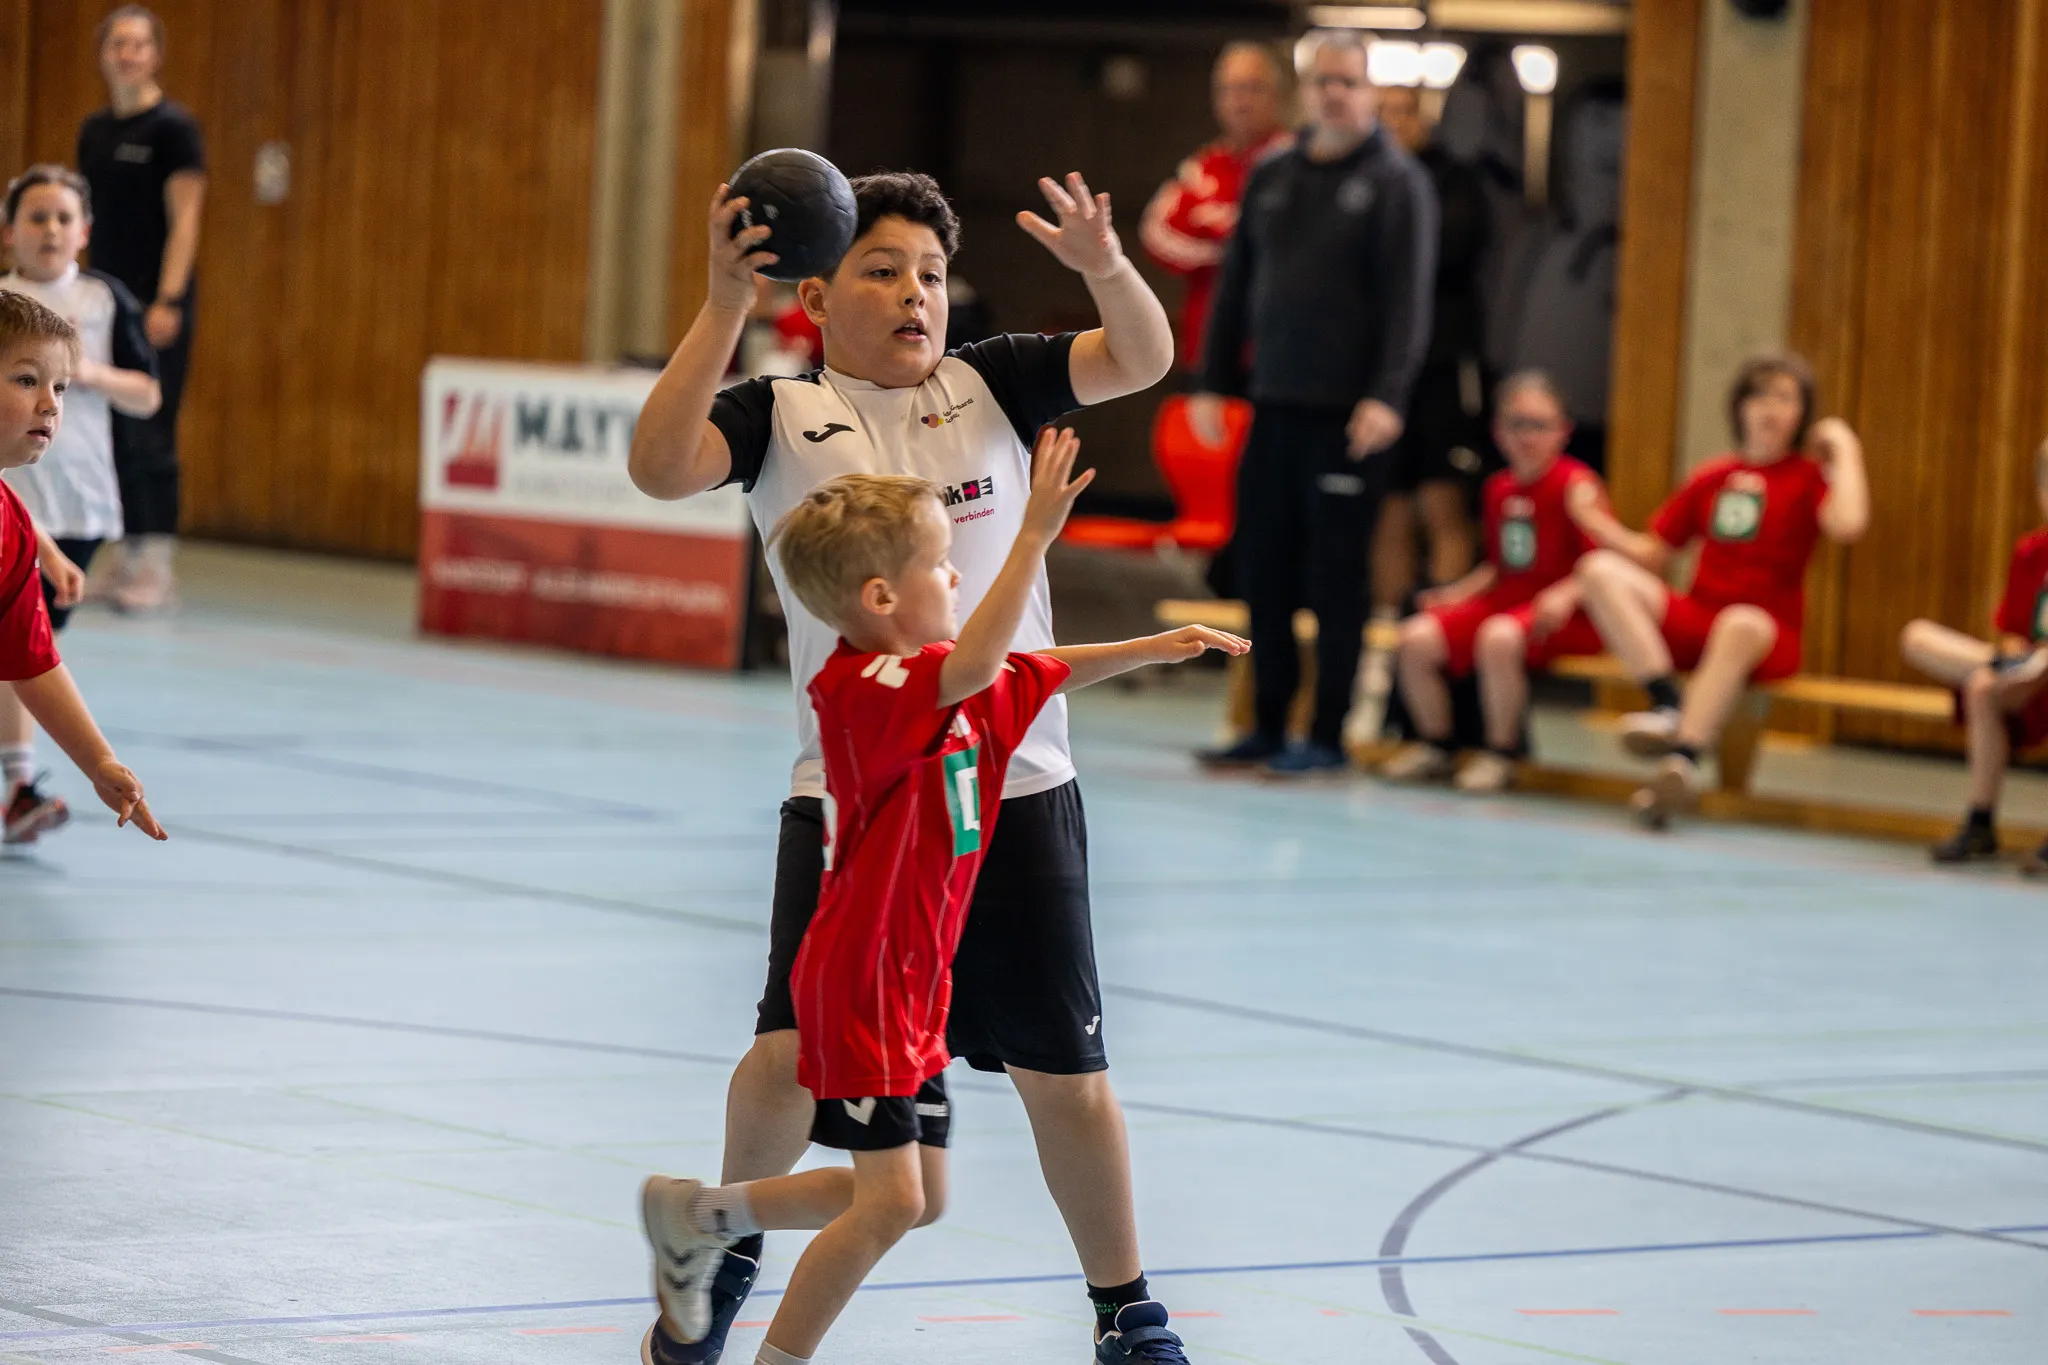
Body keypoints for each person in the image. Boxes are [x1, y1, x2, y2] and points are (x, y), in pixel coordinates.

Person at [627, 166, 1193, 1365]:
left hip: (1017, 788)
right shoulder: (779, 415)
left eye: (930, 274)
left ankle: (1126, 1312)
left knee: (1066, 1071)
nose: (913, 294)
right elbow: (659, 466)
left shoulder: (989, 380)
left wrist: (1103, 262)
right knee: (788, 1054)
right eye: (883, 270)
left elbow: (1140, 356)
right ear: (820, 293)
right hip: (854, 805)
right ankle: (721, 1257)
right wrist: (725, 299)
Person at [642, 455, 1244, 1365]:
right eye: (940, 563)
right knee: (890, 1204)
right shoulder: (864, 693)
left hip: (917, 985)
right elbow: (976, 667)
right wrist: (1034, 533)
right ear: (882, 595)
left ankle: (703, 1214)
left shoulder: (942, 679)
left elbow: (1028, 668)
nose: (958, 572)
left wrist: (1149, 650)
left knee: (916, 1195)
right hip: (865, 982)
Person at [1191, 28, 1437, 775]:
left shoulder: (1396, 183)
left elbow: (1408, 303)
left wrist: (1387, 396)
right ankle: (1266, 722)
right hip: (1275, 403)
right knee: (1262, 568)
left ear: (1368, 92)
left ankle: (1326, 733)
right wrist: (1212, 381)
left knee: (1335, 578)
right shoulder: (1273, 175)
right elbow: (1236, 285)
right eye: (1324, 80)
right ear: (1305, 91)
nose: (1336, 93)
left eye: (1350, 82)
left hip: (1349, 416)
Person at [1574, 352, 1870, 827]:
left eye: (1784, 397)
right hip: (1702, 619)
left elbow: (1849, 524)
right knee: (1598, 570)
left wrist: (1844, 447)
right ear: (1739, 407)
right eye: (1758, 395)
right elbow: (1653, 553)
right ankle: (1666, 703)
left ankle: (1682, 762)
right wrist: (1593, 523)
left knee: (1740, 622)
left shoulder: (1808, 477)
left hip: (1766, 633)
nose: (1769, 408)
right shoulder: (1713, 476)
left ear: (1801, 414)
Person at [0, 166, 160, 844]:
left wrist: (98, 761)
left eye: (60, 388)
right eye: (27, 380)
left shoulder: (10, 525)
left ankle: (19, 782)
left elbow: (32, 660)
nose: (49, 405)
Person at [1379, 371, 1605, 792]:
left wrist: (1564, 594)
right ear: (1499, 431)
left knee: (1498, 638)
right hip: (1507, 600)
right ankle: (1436, 744)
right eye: (1518, 424)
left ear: (1564, 431)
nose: (1528, 437)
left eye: (1540, 425)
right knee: (1416, 637)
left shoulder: (1577, 485)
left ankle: (1500, 752)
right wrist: (1454, 594)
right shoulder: (1499, 487)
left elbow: (1599, 565)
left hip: (1564, 613)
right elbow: (1500, 566)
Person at [76, 4, 206, 613]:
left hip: (156, 305)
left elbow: (186, 221)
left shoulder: (174, 130)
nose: (127, 54)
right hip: (105, 299)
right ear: (104, 54)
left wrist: (169, 298)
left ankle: (157, 564)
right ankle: (126, 555)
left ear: (155, 54)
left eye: (139, 44)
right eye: (117, 44)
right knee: (114, 428)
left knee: (152, 427)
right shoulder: (95, 132)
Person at [1370, 84, 1492, 616]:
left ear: (1424, 119)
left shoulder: (1453, 182)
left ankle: (1444, 633)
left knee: (1442, 503)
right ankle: (1387, 644)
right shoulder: (1363, 177)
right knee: (1388, 509)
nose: (1396, 124)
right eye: (1385, 114)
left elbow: (1446, 254)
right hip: (1379, 373)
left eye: (1405, 113)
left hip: (1440, 364)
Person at [1901, 438, 2048, 870]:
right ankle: (1980, 823)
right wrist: (2017, 660)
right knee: (1970, 674)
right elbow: (2012, 631)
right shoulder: (2032, 554)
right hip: (2030, 677)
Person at [1140, 41, 1291, 374]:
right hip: (1207, 348)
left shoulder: (1296, 163)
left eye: (1252, 88)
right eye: (1230, 90)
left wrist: (1217, 230)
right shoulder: (1202, 167)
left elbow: (1292, 242)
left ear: (1277, 95)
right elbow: (1156, 233)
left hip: (1280, 351)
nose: (1240, 101)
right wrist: (1226, 253)